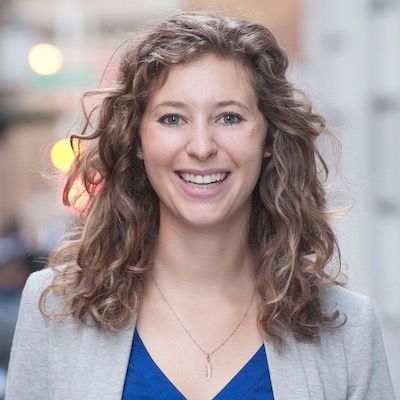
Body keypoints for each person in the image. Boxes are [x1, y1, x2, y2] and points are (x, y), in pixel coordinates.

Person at [5, 11, 395, 400]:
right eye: (172, 119)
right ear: (137, 141)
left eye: (229, 117)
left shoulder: (348, 331)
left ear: (269, 138)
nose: (202, 147)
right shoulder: (55, 311)